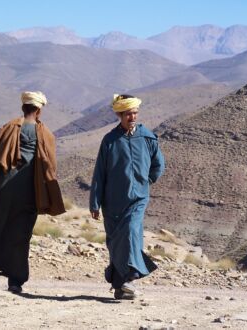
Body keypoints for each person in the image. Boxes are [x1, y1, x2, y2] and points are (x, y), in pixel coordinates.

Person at [0, 91, 65, 293]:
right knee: (20, 235)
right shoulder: (46, 135)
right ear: (39, 110)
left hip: (2, 191)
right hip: (29, 194)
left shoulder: (7, 128)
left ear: (23, 107)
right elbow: (49, 169)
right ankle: (15, 282)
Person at [89, 94, 165, 300]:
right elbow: (99, 174)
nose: (132, 116)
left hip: (138, 198)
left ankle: (130, 277)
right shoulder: (110, 140)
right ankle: (120, 287)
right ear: (120, 115)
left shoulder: (147, 137)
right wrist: (95, 201)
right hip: (112, 201)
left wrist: (146, 181)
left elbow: (159, 164)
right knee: (116, 243)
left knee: (131, 232)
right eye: (128, 114)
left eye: (135, 113)